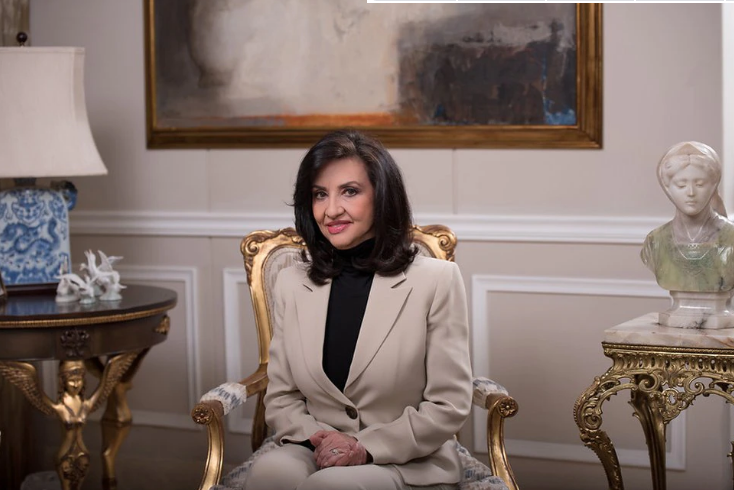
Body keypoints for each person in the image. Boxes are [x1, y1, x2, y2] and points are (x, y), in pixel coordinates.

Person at [244, 130, 472, 490]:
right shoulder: (290, 282)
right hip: (313, 444)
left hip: (406, 458)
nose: (331, 210)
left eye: (349, 191)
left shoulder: (437, 280)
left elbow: (449, 404)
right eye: (320, 194)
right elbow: (281, 396)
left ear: (382, 198)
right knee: (268, 475)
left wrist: (363, 447)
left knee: (332, 487)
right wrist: (321, 439)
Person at [641, 141, 734, 294]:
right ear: (668, 189)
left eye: (700, 184)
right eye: (681, 185)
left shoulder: (730, 237)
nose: (691, 192)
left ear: (713, 186)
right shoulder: (655, 240)